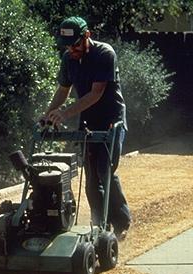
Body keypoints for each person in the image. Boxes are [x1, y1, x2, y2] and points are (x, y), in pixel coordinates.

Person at [42, 16, 131, 239]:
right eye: (67, 46)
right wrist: (47, 115)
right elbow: (63, 90)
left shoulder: (104, 54)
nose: (72, 50)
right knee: (91, 177)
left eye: (75, 44)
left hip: (111, 119)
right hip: (88, 121)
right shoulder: (68, 58)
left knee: (105, 170)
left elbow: (96, 93)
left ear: (87, 36)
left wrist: (64, 113)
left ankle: (121, 222)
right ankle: (99, 224)